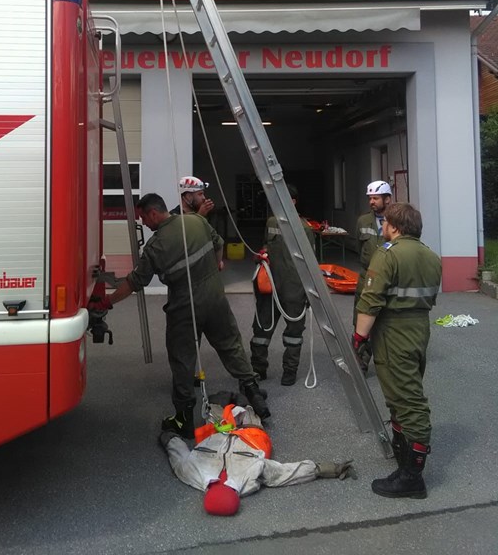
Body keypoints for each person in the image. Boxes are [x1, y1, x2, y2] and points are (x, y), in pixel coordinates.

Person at [100, 193, 270, 437]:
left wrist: (108, 302)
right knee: (230, 344)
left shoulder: (156, 246)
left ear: (153, 213)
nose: (144, 224)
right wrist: (215, 266)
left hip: (184, 308)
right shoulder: (196, 221)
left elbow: (135, 282)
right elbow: (219, 243)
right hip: (215, 298)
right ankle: (253, 392)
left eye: (143, 218)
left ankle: (183, 420)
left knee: (182, 359)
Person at [352, 202, 441, 499]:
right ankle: (403, 458)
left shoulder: (387, 254)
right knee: (401, 394)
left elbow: (371, 299)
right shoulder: (431, 256)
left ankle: (412, 478)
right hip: (419, 329)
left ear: (394, 226)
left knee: (409, 400)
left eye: (386, 222)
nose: (383, 226)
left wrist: (359, 337)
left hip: (394, 332)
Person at [159, 391, 355, 516]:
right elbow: (285, 473)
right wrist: (325, 469)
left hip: (219, 432)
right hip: (250, 436)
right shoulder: (251, 477)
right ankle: (250, 395)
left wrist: (169, 437)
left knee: (215, 403)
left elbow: (178, 454)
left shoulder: (191, 473)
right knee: (245, 407)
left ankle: (241, 396)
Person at [250, 184, 315, 386]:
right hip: (269, 287)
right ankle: (258, 369)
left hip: (294, 290)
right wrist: (261, 255)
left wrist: (309, 293)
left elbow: (311, 263)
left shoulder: (304, 228)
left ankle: (290, 371)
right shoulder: (272, 222)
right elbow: (265, 245)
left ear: (293, 202)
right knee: (261, 331)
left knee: (294, 333)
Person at [354, 180, 393, 367]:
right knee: (361, 320)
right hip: (366, 279)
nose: (371, 202)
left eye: (376, 198)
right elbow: (359, 247)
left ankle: (387, 361)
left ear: (387, 199)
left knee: (387, 320)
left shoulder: (398, 221)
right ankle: (360, 363)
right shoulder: (363, 221)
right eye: (370, 198)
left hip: (389, 280)